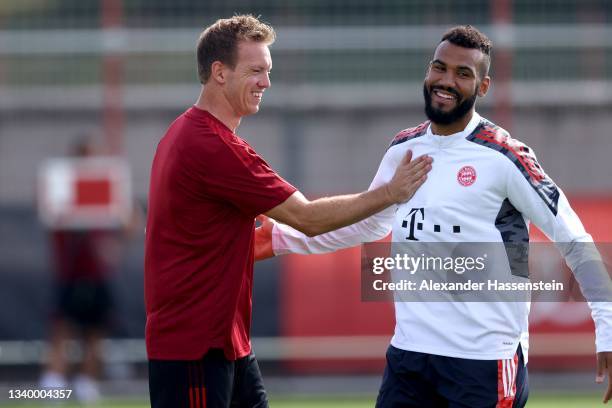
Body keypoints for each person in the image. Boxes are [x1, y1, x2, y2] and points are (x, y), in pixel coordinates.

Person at [256, 25, 612, 407]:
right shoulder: (403, 149)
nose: (446, 81)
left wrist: (608, 331)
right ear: (428, 71)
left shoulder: (505, 156)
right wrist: (279, 237)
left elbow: (573, 238)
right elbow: (370, 221)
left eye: (463, 74)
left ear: (484, 87)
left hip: (484, 362)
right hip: (410, 357)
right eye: (439, 68)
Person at [144, 15, 431, 408]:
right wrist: (391, 192)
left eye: (268, 71)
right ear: (219, 73)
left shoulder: (183, 133)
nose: (266, 82)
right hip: (194, 350)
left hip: (227, 343)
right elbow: (308, 217)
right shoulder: (212, 146)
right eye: (255, 70)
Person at [40, 135, 136, 403]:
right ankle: (52, 383)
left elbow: (128, 224)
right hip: (71, 272)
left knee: (97, 331)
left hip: (99, 274)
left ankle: (86, 382)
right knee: (62, 329)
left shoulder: (108, 188)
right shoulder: (62, 187)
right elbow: (51, 220)